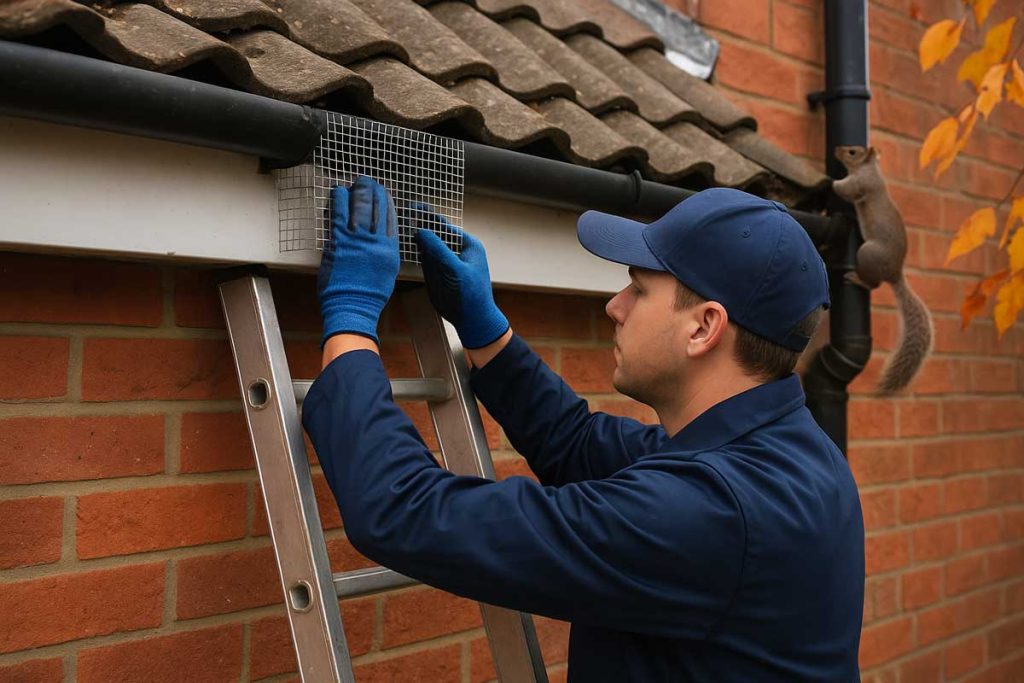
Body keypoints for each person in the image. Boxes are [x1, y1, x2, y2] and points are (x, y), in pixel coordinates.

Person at [302, 175, 865, 682]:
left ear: (704, 328)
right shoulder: (782, 454)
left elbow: (405, 511)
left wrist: (350, 316)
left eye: (639, 289)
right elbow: (578, 442)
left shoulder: (709, 512)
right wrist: (486, 330)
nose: (615, 306)